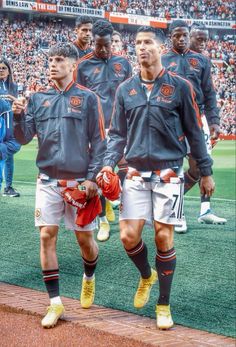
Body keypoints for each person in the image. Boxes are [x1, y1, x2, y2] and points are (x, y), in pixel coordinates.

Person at [100, 26, 214, 330]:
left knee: (164, 237)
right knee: (127, 236)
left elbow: (194, 133)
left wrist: (205, 171)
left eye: (147, 42)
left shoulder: (181, 87)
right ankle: (146, 275)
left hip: (169, 172)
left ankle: (163, 304)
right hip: (134, 172)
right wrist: (109, 163)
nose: (141, 47)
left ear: (160, 48)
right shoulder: (125, 90)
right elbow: (117, 134)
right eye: (137, 43)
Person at [13, 43, 106, 328]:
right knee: (46, 237)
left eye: (59, 60)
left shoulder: (89, 99)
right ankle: (55, 303)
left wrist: (92, 178)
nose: (53, 65)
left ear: (72, 64)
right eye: (50, 60)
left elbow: (101, 142)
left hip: (79, 184)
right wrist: (18, 116)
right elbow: (23, 138)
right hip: (47, 182)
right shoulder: (38, 98)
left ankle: (88, 277)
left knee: (85, 242)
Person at [162, 20, 226, 233]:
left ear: (188, 36)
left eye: (184, 35)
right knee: (174, 167)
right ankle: (177, 213)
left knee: (201, 166)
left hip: (198, 118)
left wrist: (214, 120)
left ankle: (205, 210)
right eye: (177, 35)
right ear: (170, 36)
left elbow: (209, 92)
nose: (181, 39)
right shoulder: (163, 60)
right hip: (171, 118)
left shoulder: (201, 61)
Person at [76, 19, 132, 242]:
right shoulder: (82, 65)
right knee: (98, 177)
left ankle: (119, 207)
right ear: (93, 42)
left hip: (121, 130)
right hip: (96, 130)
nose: (102, 49)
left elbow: (131, 95)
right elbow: (78, 100)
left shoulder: (124, 64)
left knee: (126, 172)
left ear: (113, 42)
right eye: (97, 45)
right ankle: (103, 221)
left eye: (106, 45)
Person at [0, 57, 21, 197]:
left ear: (8, 71)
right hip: (0, 128)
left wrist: (14, 100)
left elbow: (19, 105)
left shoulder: (14, 86)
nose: (1, 70)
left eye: (3, 68)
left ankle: (8, 187)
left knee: (9, 156)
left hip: (11, 128)